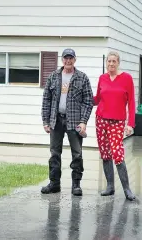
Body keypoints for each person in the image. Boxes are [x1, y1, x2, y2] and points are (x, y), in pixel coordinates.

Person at [41, 48, 94, 196]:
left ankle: (76, 185)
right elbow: (46, 100)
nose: (68, 60)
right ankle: (54, 183)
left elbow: (88, 101)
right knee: (54, 153)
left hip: (75, 121)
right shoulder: (53, 77)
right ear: (62, 60)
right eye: (66, 58)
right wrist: (45, 121)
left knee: (77, 154)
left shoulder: (82, 78)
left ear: (75, 60)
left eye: (71, 58)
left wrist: (83, 121)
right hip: (56, 120)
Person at [93, 51, 136, 201]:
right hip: (101, 120)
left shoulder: (126, 79)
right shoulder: (102, 78)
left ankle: (127, 189)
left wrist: (130, 124)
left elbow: (131, 102)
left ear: (118, 63)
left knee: (117, 154)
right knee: (105, 153)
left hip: (117, 122)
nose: (111, 64)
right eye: (109, 61)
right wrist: (83, 96)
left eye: (114, 61)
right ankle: (110, 187)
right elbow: (97, 99)